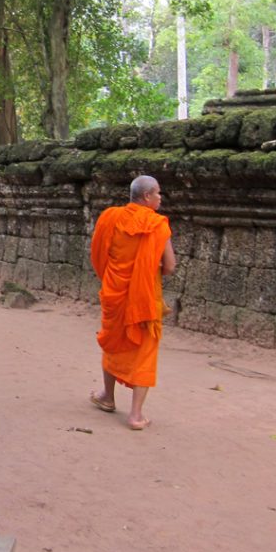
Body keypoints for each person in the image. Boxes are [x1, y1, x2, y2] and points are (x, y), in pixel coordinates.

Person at [89, 174, 176, 430]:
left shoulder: (110, 218)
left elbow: (98, 254)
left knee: (112, 341)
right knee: (144, 352)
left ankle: (107, 396)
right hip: (144, 297)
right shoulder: (158, 226)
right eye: (158, 193)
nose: (161, 197)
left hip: (115, 292)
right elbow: (170, 266)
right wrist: (148, 267)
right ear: (147, 196)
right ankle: (136, 415)